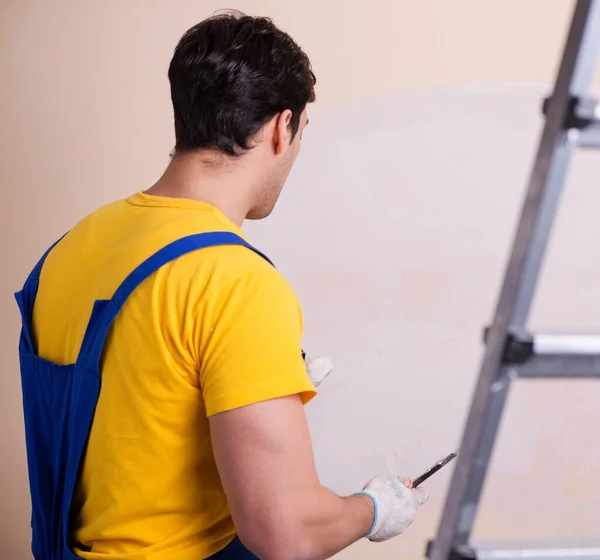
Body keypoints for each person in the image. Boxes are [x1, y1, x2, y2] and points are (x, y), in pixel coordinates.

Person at [15, 11, 427, 560]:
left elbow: (132, 418)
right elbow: (286, 533)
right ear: (283, 127)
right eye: (302, 132)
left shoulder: (70, 248)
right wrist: (373, 508)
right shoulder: (237, 284)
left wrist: (245, 380)